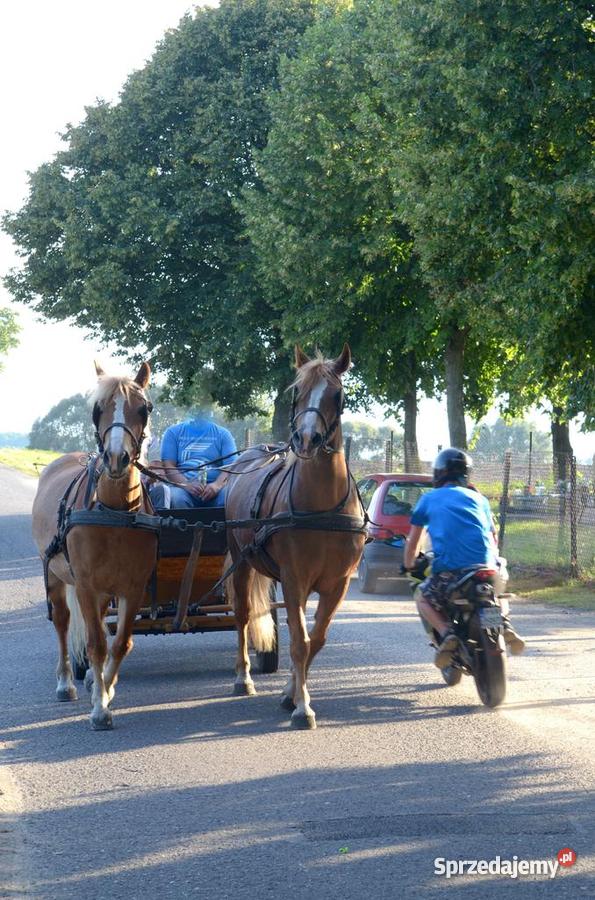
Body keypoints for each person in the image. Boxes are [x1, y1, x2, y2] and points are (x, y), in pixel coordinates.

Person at [403, 447, 525, 668]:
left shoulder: (428, 499)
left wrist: (409, 564)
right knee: (498, 594)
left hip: (451, 572)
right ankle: (505, 624)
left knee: (422, 597)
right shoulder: (481, 500)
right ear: (467, 474)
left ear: (438, 473)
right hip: (488, 568)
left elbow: (413, 542)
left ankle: (447, 632)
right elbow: (493, 536)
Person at [149, 413, 237, 509]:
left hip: (217, 490)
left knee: (230, 497)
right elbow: (168, 466)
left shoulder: (223, 434)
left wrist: (216, 486)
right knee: (176, 499)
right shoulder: (173, 432)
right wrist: (187, 485)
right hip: (182, 489)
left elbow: (230, 466)